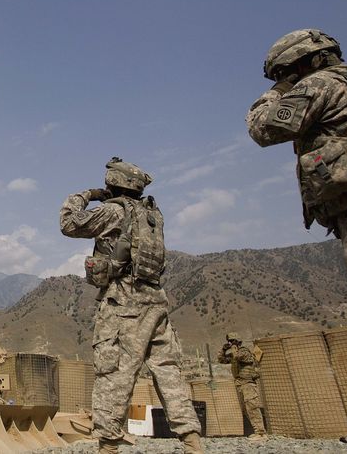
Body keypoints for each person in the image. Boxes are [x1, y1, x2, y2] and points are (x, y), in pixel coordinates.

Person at [246, 29, 347, 382]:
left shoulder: (319, 84)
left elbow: (263, 128)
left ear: (308, 61)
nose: (285, 81)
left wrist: (276, 92)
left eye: (285, 73)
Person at [60, 157, 203, 454]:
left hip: (124, 302)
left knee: (114, 371)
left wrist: (85, 195)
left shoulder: (113, 212)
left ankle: (108, 446)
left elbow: (68, 224)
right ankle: (192, 440)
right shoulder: (152, 214)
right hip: (156, 300)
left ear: (114, 184)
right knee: (169, 370)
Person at [218, 332, 266, 439]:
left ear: (238, 342)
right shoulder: (235, 353)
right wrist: (224, 350)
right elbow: (221, 360)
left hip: (248, 383)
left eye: (232, 341)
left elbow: (237, 357)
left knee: (252, 407)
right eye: (229, 341)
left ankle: (261, 433)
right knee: (245, 409)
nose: (230, 343)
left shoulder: (244, 352)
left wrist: (234, 348)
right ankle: (257, 431)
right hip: (239, 384)